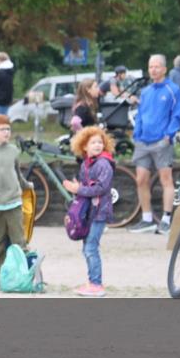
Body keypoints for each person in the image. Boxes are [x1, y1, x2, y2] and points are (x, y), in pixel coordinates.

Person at [127, 54, 180, 234]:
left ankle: (166, 219)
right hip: (143, 141)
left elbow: (177, 115)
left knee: (166, 179)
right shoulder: (145, 91)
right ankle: (147, 219)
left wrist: (168, 136)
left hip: (162, 141)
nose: (153, 70)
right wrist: (137, 134)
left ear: (165, 69)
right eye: (151, 66)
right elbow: (141, 114)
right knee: (141, 179)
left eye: (157, 66)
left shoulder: (173, 90)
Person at [0, 114, 33, 289]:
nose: (6, 132)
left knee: (20, 241)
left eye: (8, 129)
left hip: (13, 202)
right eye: (2, 129)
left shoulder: (13, 151)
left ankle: (25, 274)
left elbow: (17, 174)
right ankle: (0, 276)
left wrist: (27, 186)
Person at [62, 126, 115, 297]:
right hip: (90, 212)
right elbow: (85, 186)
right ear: (84, 146)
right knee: (88, 247)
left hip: (100, 213)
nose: (98, 145)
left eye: (100, 142)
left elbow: (101, 188)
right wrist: (77, 186)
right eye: (93, 142)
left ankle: (96, 284)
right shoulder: (86, 164)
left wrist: (78, 189)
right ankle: (93, 281)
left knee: (91, 248)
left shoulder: (103, 164)